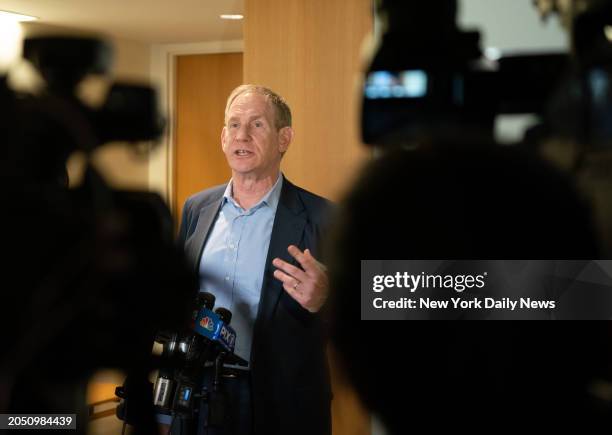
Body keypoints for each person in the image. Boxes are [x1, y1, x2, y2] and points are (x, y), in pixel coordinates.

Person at [174, 85, 332, 435]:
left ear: (284, 138)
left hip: (283, 401)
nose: (241, 135)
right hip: (200, 393)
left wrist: (328, 298)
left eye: (257, 125)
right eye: (233, 124)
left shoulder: (324, 217)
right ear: (222, 137)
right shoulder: (196, 209)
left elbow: (377, 303)